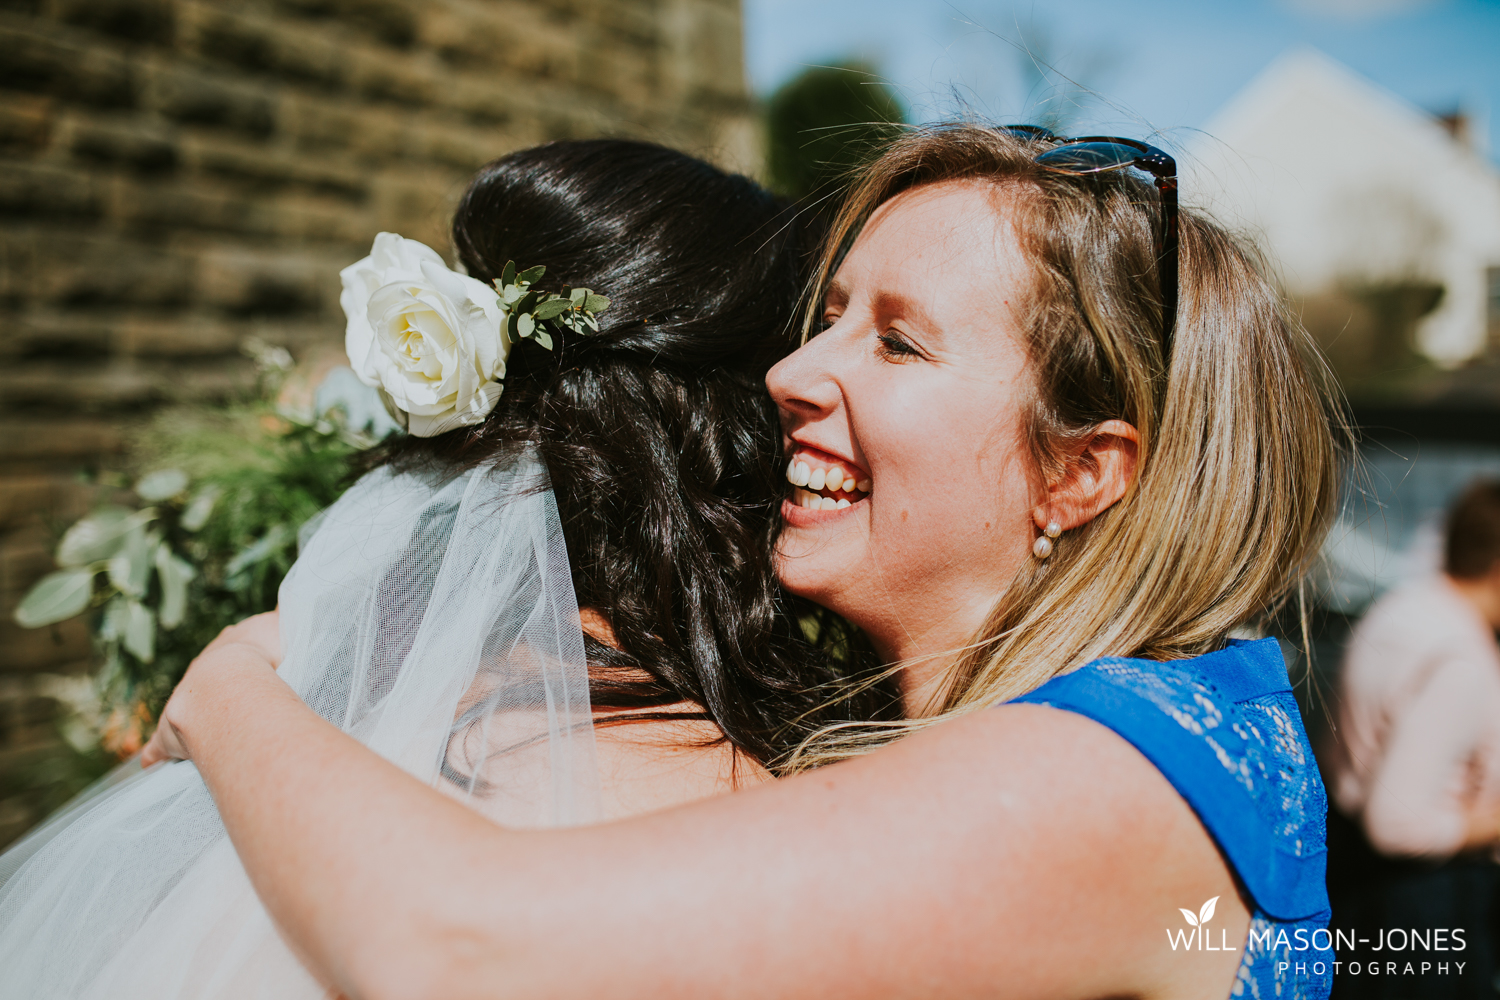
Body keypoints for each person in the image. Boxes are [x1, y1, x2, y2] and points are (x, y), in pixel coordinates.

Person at [139, 122, 1346, 1000]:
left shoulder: (1106, 773)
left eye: (898, 342)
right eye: (828, 316)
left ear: (1080, 473)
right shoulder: (1115, 727)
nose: (790, 374)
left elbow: (451, 951)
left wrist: (229, 682)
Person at [0, 139, 897, 997]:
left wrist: (228, 673)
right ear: (737, 422)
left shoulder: (337, 696)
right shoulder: (730, 798)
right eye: (814, 338)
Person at [1327, 479, 1500, 999]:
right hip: (1427, 907)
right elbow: (1398, 824)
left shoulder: (1399, 611)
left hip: (1358, 885)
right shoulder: (1461, 657)